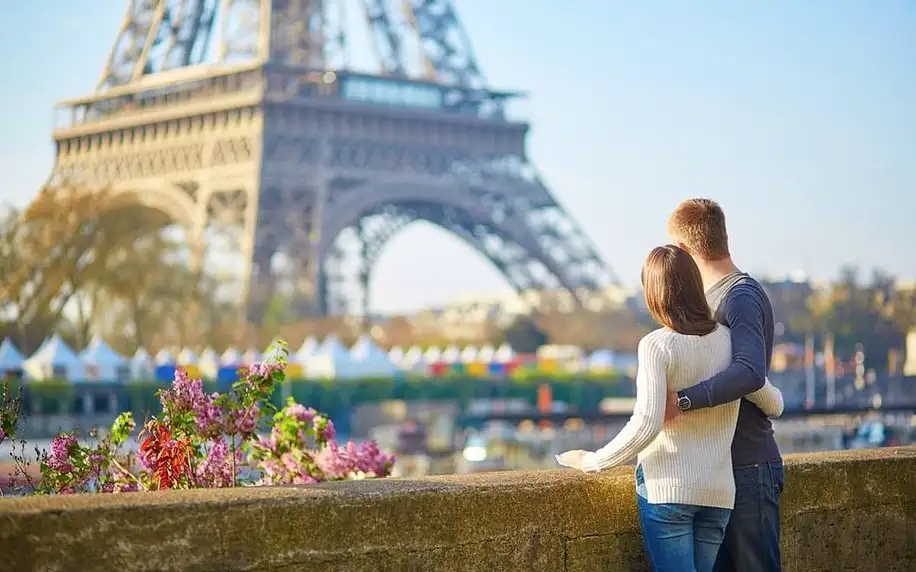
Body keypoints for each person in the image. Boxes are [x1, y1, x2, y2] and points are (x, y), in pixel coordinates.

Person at [557, 245, 783, 572]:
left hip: (668, 491)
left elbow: (648, 423)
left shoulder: (656, 346)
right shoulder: (729, 342)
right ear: (695, 284)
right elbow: (773, 403)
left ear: (653, 295)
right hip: (718, 496)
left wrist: (593, 461)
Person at [664, 198, 784, 572]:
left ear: (683, 250)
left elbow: (749, 372)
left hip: (747, 466)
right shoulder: (717, 298)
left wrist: (682, 401)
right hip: (722, 470)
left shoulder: (740, 296)